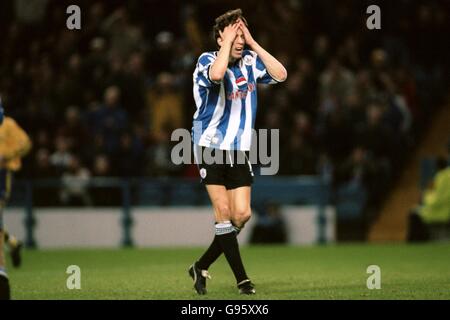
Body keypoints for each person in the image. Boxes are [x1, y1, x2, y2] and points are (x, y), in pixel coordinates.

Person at [188, 9, 287, 295]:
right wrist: (227, 44)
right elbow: (217, 75)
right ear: (220, 37)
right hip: (209, 146)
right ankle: (242, 280)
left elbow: (280, 74)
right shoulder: (206, 60)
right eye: (234, 33)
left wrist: (253, 42)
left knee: (241, 215)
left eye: (242, 33)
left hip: (238, 149)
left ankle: (201, 264)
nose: (239, 39)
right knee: (224, 211)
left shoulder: (250, 61)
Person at [0, 98, 32, 299]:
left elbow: (26, 144)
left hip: (2, 177)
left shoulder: (9, 125)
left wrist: (7, 155)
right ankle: (12, 243)